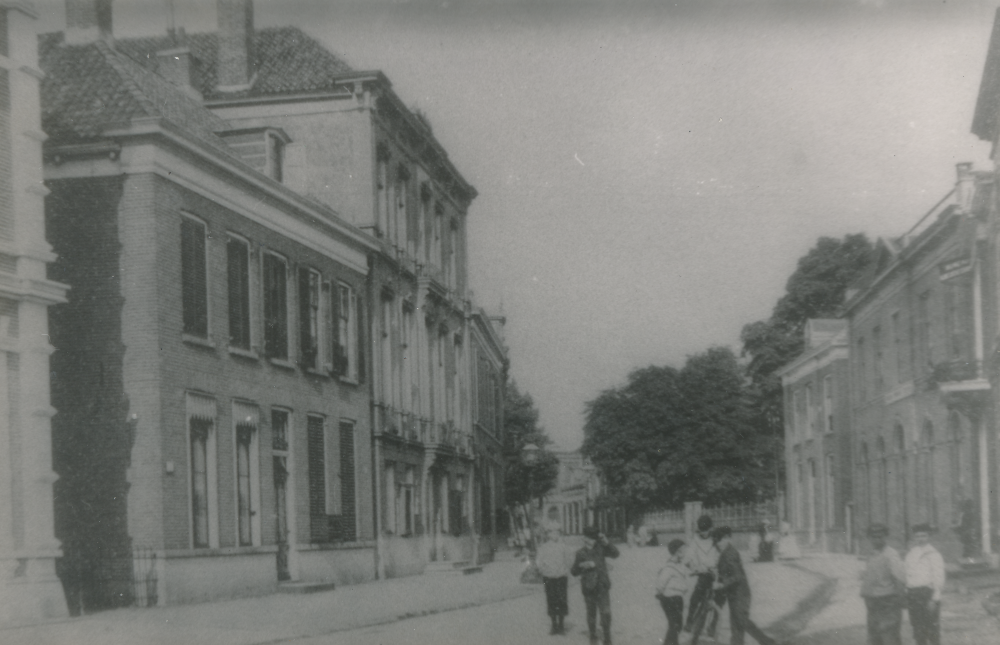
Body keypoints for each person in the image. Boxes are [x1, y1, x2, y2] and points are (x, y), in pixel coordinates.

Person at [714, 526, 779, 645]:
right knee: (736, 625)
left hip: (741, 594)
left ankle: (767, 642)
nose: (718, 544)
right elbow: (724, 573)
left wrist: (722, 584)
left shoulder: (730, 553)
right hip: (733, 594)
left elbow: (737, 576)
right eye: (716, 541)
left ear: (727, 538)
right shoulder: (724, 553)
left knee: (741, 621)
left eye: (720, 540)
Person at [571, 525, 620, 645]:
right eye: (591, 538)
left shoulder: (601, 548)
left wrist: (605, 540)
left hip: (602, 585)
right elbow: (574, 571)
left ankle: (607, 637)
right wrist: (582, 566)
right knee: (591, 613)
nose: (593, 541)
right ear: (585, 538)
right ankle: (593, 636)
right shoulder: (580, 553)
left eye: (595, 538)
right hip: (589, 587)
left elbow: (616, 554)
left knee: (606, 613)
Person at [860, 523, 906, 645]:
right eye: (874, 537)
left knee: (889, 635)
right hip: (872, 601)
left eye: (880, 536)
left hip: (887, 601)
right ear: (869, 538)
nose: (877, 539)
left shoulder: (891, 554)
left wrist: (898, 601)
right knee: (874, 635)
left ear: (886, 537)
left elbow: (900, 579)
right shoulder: (871, 554)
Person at [904, 524, 945, 645]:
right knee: (918, 628)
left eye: (924, 536)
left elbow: (939, 576)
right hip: (913, 594)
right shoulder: (911, 553)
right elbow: (907, 573)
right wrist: (907, 591)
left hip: (928, 594)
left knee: (932, 628)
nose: (920, 539)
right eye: (917, 536)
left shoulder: (934, 554)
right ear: (914, 537)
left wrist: (935, 598)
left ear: (928, 537)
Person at [684, 514, 720, 636]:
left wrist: (716, 565)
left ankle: (713, 625)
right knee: (695, 598)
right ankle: (689, 622)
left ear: (711, 528)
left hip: (716, 572)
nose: (703, 533)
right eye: (701, 531)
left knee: (719, 600)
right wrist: (694, 567)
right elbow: (687, 558)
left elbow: (721, 554)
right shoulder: (695, 540)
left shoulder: (716, 539)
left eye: (706, 531)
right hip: (703, 573)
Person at [537, 527, 574, 635]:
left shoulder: (564, 547)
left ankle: (561, 625)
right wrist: (544, 570)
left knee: (562, 599)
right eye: (552, 532)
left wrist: (564, 570)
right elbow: (539, 561)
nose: (555, 535)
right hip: (549, 577)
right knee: (551, 599)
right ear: (548, 534)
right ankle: (554, 625)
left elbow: (569, 560)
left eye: (557, 532)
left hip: (561, 577)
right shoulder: (543, 547)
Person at [655, 539, 691, 645]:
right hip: (670, 598)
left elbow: (687, 570)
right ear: (678, 552)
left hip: (678, 598)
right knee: (674, 625)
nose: (685, 553)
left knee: (677, 625)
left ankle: (668, 642)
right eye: (684, 550)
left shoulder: (680, 564)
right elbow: (660, 584)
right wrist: (660, 594)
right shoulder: (669, 567)